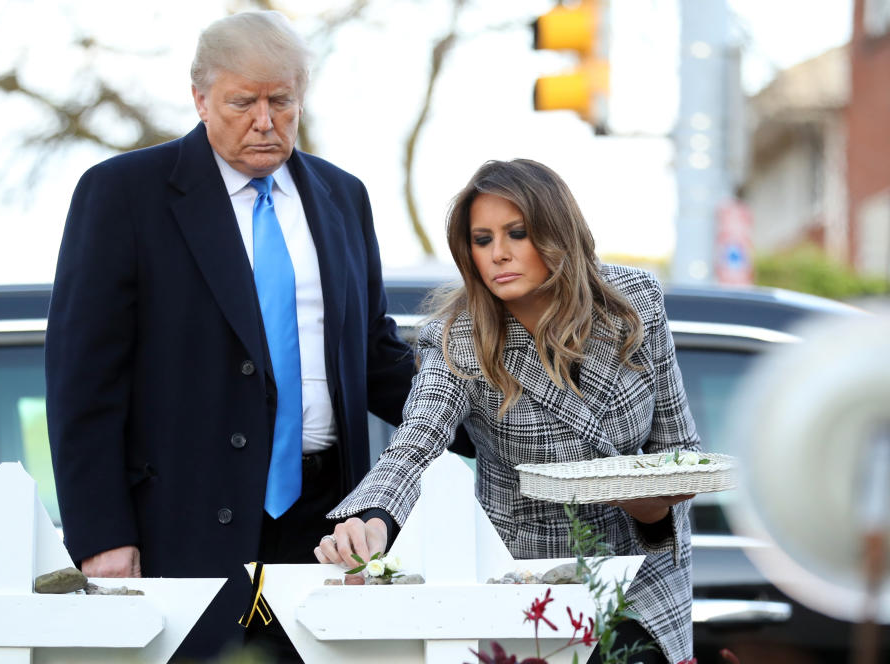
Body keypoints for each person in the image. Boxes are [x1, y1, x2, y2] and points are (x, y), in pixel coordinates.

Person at [45, 11, 419, 661]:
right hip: (182, 529)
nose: (265, 120)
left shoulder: (343, 197)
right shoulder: (123, 195)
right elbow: (84, 381)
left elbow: (374, 358)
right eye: (242, 102)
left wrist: (498, 413)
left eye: (281, 100)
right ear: (200, 98)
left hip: (324, 526)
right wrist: (101, 532)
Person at [315, 159, 700, 664]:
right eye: (481, 240)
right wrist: (370, 520)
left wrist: (655, 508)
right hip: (526, 588)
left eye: (517, 233)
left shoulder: (634, 302)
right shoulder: (458, 339)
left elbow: (679, 448)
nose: (498, 254)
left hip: (642, 585)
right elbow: (416, 445)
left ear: (556, 231)